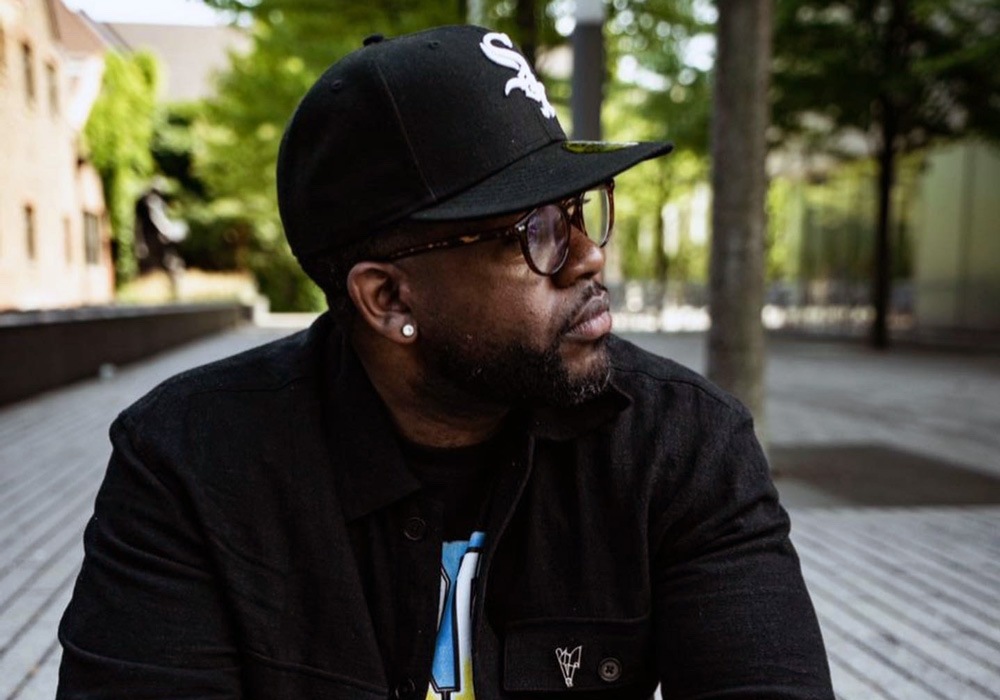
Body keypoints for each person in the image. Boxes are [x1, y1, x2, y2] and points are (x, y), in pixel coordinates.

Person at [57, 25, 833, 700]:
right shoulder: (192, 463)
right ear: (388, 298)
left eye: (577, 209)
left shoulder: (683, 444)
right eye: (534, 231)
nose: (589, 256)